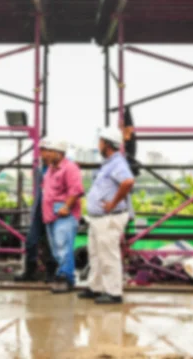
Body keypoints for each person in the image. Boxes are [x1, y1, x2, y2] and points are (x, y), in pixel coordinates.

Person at [79, 127, 135, 304]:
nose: (98, 145)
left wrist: (113, 203)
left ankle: (113, 292)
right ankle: (95, 287)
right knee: (95, 254)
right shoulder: (109, 164)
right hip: (98, 219)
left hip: (108, 218)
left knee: (108, 255)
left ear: (107, 145)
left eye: (100, 142)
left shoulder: (117, 163)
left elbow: (128, 182)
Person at [41, 139, 84, 293]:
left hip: (64, 213)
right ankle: (67, 277)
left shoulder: (70, 168)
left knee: (63, 246)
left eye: (49, 151)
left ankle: (64, 277)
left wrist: (66, 206)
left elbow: (76, 189)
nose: (46, 154)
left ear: (58, 153)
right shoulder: (50, 170)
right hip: (51, 214)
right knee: (57, 249)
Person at [15, 138, 56, 283]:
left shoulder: (57, 168)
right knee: (31, 241)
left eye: (48, 151)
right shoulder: (39, 169)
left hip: (52, 210)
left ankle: (51, 274)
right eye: (43, 151)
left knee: (52, 243)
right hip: (39, 209)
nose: (45, 154)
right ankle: (30, 271)